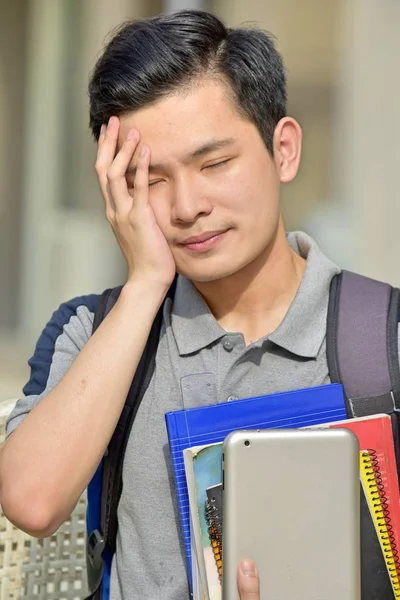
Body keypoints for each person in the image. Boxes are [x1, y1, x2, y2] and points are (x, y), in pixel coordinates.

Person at [0, 8, 379, 600]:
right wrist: (147, 283)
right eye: (151, 178)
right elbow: (31, 501)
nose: (186, 206)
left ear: (283, 150)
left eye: (215, 163)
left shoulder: (383, 338)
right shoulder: (94, 329)